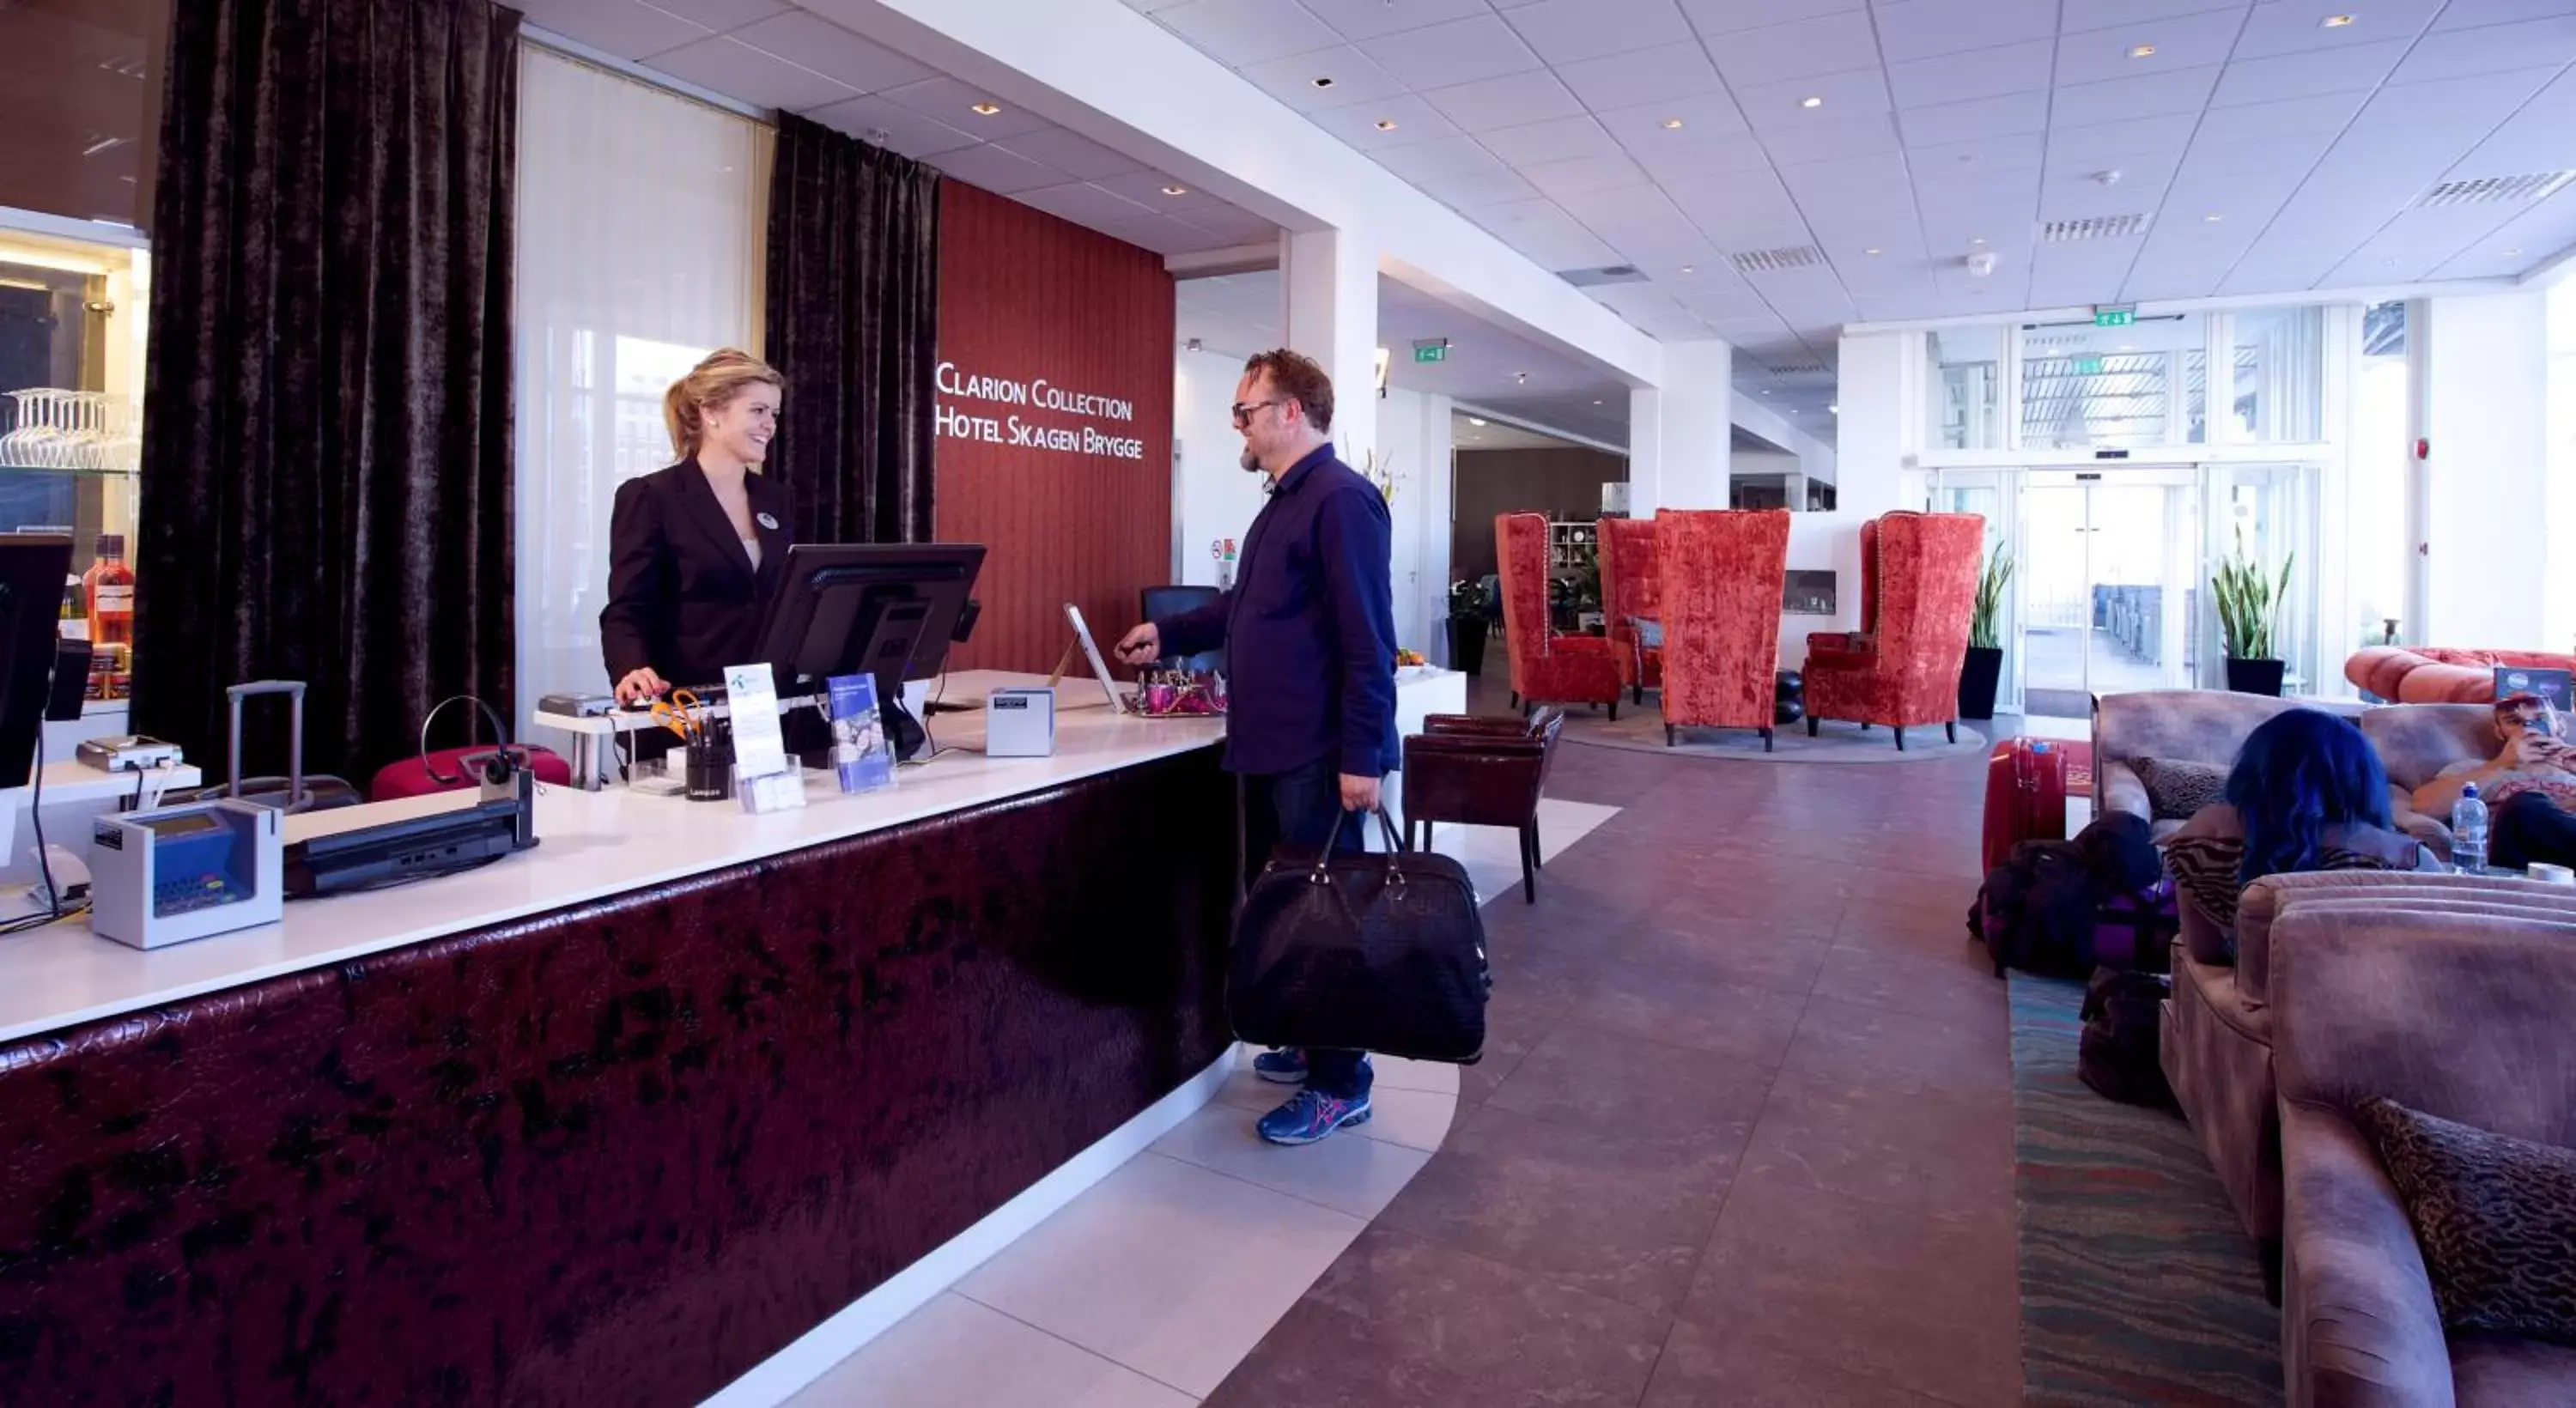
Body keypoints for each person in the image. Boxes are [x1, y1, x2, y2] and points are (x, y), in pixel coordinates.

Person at [1114, 348, 1399, 1147]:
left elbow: (1368, 640)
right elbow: (1247, 607)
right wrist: (1169, 631)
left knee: (1324, 920)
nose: (1235, 425)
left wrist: (1363, 756)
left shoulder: (1342, 500)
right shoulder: (1286, 501)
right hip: (1271, 748)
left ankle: (1345, 1082)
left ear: (1289, 414)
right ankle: (1314, 1044)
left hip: (1318, 755)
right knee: (1286, 911)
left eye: (1244, 411)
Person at [599, 349, 793, 712]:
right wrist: (631, 669)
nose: (771, 424)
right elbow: (627, 607)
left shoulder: (775, 499)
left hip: (766, 705)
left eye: (774, 413)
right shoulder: (651, 496)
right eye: (758, 410)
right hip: (685, 703)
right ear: (711, 413)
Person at [2163, 708, 2435, 944]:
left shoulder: (2196, 840)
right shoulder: (2406, 860)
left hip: (2249, 992)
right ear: (2361, 777)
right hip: (2361, 995)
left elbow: (2202, 949)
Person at [2409, 693, 2576, 871]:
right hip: (2521, 861)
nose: (2528, 729)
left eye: (2540, 719)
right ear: (2499, 731)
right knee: (2526, 805)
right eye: (2514, 721)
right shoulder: (2473, 770)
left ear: (2561, 726)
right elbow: (2423, 806)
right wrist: (2500, 765)